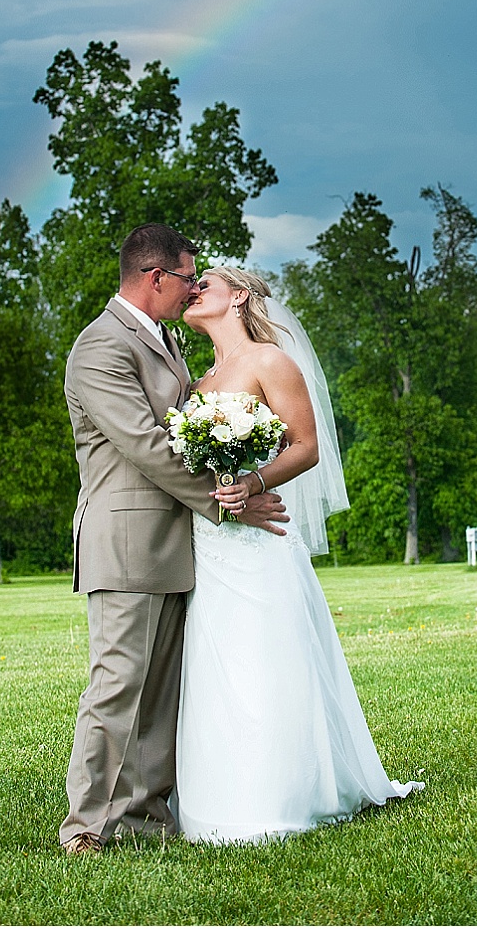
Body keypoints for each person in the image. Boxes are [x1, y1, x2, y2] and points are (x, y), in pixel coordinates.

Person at [59, 226, 287, 854]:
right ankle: (86, 828)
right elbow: (148, 445)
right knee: (117, 686)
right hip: (125, 542)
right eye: (188, 278)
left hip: (172, 545)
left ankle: (146, 818)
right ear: (156, 277)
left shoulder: (162, 342)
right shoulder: (100, 347)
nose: (193, 290)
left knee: (159, 697)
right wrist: (230, 500)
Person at [176, 266, 422, 843]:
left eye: (203, 282)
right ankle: (216, 797)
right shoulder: (198, 382)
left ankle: (281, 794)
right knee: (217, 662)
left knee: (264, 655)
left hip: (260, 537)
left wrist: (254, 485)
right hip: (209, 543)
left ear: (238, 296)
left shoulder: (270, 362)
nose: (193, 290)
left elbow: (306, 446)